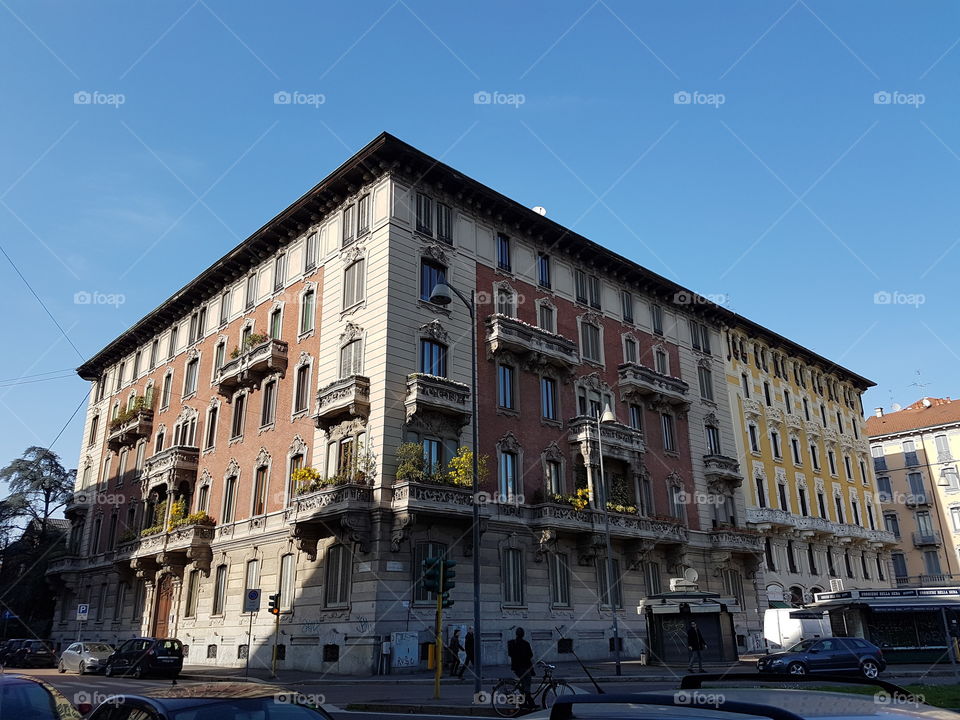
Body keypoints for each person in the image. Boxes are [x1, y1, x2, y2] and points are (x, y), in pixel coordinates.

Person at [507, 627, 535, 709]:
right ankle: (529, 701)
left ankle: (524, 701)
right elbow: (530, 655)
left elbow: (510, 654)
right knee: (527, 683)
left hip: (516, 667)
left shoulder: (512, 643)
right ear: (523, 634)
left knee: (523, 683)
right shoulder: (525, 643)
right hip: (524, 667)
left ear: (516, 634)